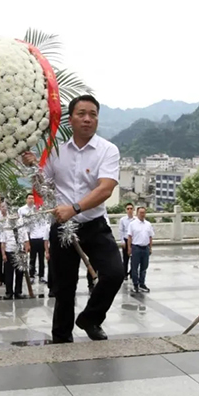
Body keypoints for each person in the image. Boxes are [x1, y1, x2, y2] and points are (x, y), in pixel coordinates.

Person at [22, 94, 122, 343]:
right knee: (63, 287)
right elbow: (43, 186)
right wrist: (33, 167)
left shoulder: (108, 150)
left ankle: (90, 318)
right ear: (70, 119)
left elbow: (106, 189)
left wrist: (74, 208)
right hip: (62, 226)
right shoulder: (55, 151)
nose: (87, 119)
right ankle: (61, 337)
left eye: (93, 114)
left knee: (114, 273)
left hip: (94, 224)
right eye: (81, 114)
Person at [0, 204, 30, 300]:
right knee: (8, 274)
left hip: (20, 252)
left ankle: (18, 292)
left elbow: (26, 240)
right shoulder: (6, 227)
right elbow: (3, 242)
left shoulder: (21, 226)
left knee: (20, 273)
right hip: (9, 251)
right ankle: (9, 292)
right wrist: (3, 254)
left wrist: (26, 251)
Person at [18, 194, 49, 284]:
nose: (31, 200)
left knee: (41, 258)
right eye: (29, 198)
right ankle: (31, 275)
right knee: (32, 258)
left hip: (41, 238)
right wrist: (26, 241)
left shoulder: (41, 212)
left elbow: (45, 225)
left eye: (32, 198)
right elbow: (24, 227)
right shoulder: (25, 212)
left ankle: (41, 276)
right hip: (32, 238)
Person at [127, 206, 154, 293]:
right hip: (136, 248)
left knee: (144, 267)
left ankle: (142, 283)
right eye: (141, 213)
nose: (142, 214)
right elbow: (129, 237)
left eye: (144, 213)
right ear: (137, 213)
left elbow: (150, 237)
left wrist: (150, 248)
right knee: (134, 267)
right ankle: (135, 284)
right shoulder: (132, 224)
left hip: (145, 248)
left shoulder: (148, 224)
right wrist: (129, 248)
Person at [118, 203, 136, 280]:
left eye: (131, 208)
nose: (129, 210)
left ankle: (132, 273)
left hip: (134, 241)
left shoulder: (136, 220)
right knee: (125, 259)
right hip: (126, 240)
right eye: (128, 209)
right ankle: (124, 274)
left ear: (133, 209)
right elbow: (121, 231)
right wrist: (122, 241)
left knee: (134, 259)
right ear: (126, 210)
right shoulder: (123, 220)